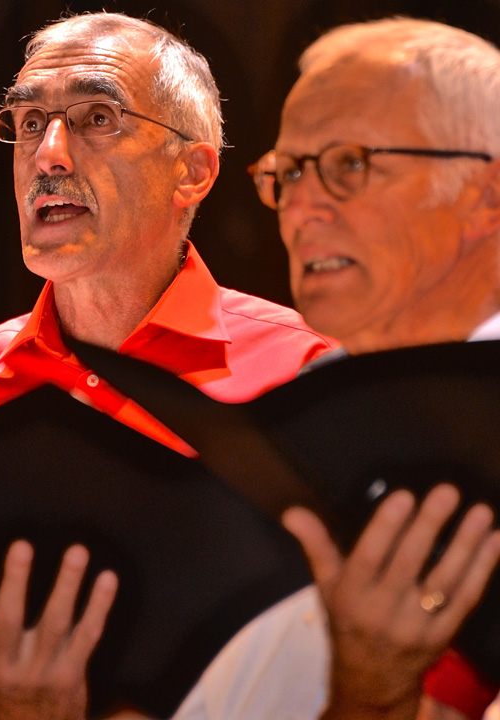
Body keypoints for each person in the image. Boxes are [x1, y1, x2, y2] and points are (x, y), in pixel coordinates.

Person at [0, 11, 354, 720]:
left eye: (97, 118)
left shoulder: (306, 378)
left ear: (193, 172)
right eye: (29, 122)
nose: (48, 155)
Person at [253, 17, 500, 720]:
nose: (301, 209)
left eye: (349, 164)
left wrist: (377, 693)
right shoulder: (274, 441)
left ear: (487, 195)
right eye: (287, 174)